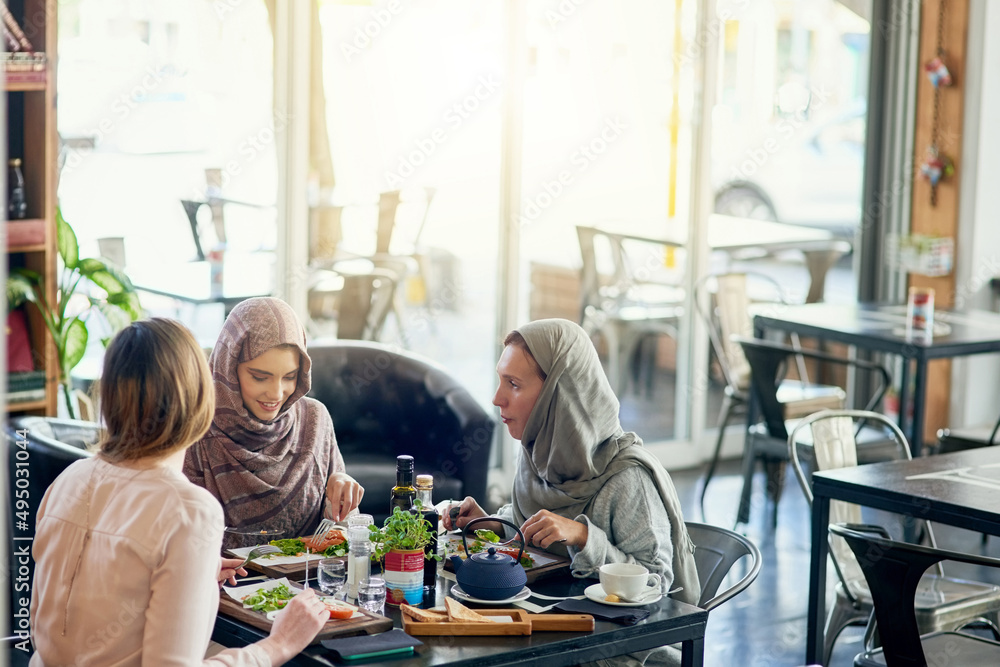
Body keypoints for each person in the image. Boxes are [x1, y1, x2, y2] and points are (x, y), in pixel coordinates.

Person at [30, 318, 330, 665]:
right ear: (201, 395)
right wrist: (278, 645)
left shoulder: (68, 479)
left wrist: (188, 573)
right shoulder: (190, 511)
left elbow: (68, 617)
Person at [444, 318, 700, 605]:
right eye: (501, 380)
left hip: (620, 644)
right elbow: (536, 526)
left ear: (558, 394)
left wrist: (583, 536)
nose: (496, 398)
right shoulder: (538, 451)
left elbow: (657, 584)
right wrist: (491, 523)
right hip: (551, 621)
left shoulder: (628, 478)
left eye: (513, 384)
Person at [184, 297, 363, 549]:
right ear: (228, 367)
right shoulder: (195, 430)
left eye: (289, 377)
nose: (277, 394)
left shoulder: (314, 420)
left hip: (308, 584)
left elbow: (338, 536)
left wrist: (341, 496)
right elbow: (182, 539)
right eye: (259, 377)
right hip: (223, 585)